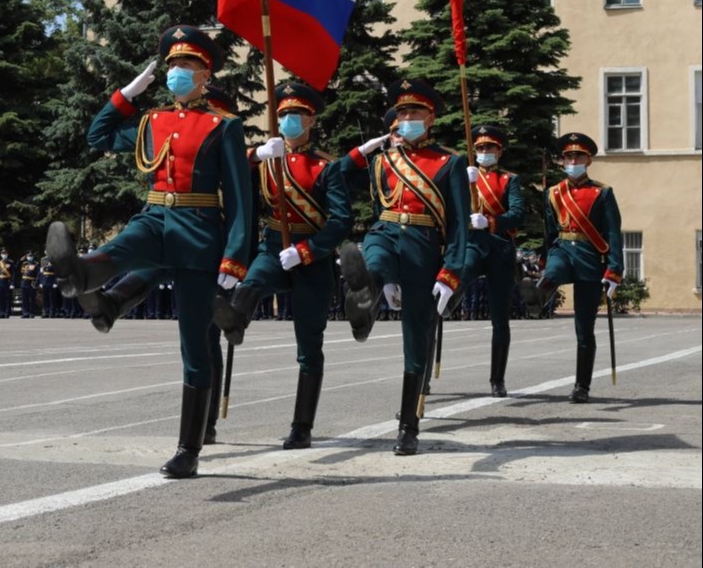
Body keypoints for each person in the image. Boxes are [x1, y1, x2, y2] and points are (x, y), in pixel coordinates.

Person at [47, 25, 252, 478]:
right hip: (156, 216)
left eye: (187, 65)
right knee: (123, 246)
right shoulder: (152, 121)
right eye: (173, 65)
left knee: (195, 348)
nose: (177, 72)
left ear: (206, 74)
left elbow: (240, 200)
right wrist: (128, 92)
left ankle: (188, 450)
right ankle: (79, 273)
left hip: (199, 232)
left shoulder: (225, 127)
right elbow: (98, 136)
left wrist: (235, 259)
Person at [212, 81, 354, 449]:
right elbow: (227, 166)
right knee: (252, 283)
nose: (290, 120)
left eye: (297, 115)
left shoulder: (327, 167)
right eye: (285, 114)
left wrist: (308, 251)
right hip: (274, 245)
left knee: (309, 344)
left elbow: (341, 221)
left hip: (312, 257)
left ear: (311, 119)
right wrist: (257, 153)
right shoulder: (265, 159)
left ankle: (302, 426)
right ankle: (235, 322)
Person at [342, 79, 470, 456]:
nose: (406, 118)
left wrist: (451, 273)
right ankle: (366, 298)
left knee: (417, 339)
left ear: (430, 118)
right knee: (374, 260)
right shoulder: (382, 160)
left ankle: (408, 426)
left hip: (424, 246)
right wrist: (358, 152)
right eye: (401, 112)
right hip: (385, 231)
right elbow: (349, 187)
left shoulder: (450, 162)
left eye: (414, 112)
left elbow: (461, 224)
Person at [537, 132, 623, 403]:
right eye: (568, 156)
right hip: (562, 249)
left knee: (584, 328)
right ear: (562, 161)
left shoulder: (603, 193)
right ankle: (538, 293)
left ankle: (581, 386)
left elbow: (613, 233)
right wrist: (543, 260)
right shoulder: (553, 193)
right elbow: (549, 232)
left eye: (578, 156)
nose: (572, 160)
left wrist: (614, 270)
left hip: (589, 256)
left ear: (589, 160)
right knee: (553, 272)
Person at [463, 125, 525, 396]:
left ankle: (497, 379)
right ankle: (425, 375)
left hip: (499, 248)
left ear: (499, 151)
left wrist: (490, 221)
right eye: (480, 148)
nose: (484, 152)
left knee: (500, 317)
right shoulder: (465, 177)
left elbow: (518, 214)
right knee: (442, 296)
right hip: (471, 247)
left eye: (490, 148)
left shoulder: (509, 180)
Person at [19, 251, 40, 318]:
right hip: (24, 282)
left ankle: (32, 313)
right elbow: (16, 268)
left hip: (31, 283)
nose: (29, 257)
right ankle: (25, 313)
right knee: (24, 299)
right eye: (28, 256)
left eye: (30, 256)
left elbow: (38, 274)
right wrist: (20, 261)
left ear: (33, 257)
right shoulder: (24, 263)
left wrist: (36, 282)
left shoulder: (36, 264)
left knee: (31, 299)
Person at [0, 249, 14, 318]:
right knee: (0, 298)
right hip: (0, 281)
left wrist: (12, 283)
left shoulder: (11, 262)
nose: (4, 255)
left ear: (7, 254)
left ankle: (7, 312)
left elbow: (13, 273)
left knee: (7, 298)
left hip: (7, 281)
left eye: (5, 254)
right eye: (3, 254)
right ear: (1, 255)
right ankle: (1, 312)